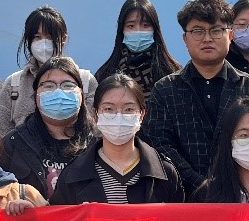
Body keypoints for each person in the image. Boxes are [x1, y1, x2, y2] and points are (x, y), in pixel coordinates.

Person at [142, 0, 249, 197]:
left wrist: (231, 185)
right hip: (182, 199)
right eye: (197, 31)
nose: (207, 38)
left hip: (241, 197)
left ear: (230, 35)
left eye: (216, 30)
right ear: (185, 38)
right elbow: (159, 146)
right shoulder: (165, 89)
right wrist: (199, 185)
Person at [50, 74, 184, 205]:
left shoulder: (165, 173)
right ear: (95, 115)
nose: (119, 116)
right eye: (109, 109)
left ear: (142, 114)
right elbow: (60, 218)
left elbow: (178, 218)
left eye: (129, 109)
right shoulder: (73, 175)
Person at [0, 56, 95, 199]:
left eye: (68, 85)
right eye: (49, 86)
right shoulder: (13, 143)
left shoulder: (98, 144)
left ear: (81, 93)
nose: (58, 92)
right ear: (35, 95)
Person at [0, 6, 96, 136]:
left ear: (63, 39)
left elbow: (96, 129)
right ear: (29, 40)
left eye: (49, 37)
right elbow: (1, 132)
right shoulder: (14, 83)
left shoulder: (85, 80)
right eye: (37, 37)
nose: (43, 43)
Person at [93, 0, 182, 99]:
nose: (138, 31)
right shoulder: (104, 75)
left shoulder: (174, 74)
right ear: (122, 30)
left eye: (145, 25)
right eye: (131, 26)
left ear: (155, 29)